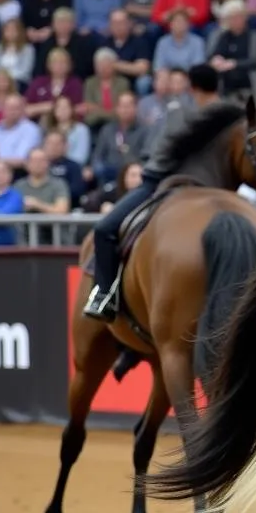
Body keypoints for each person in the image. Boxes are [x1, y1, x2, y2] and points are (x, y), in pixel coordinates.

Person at [82, 63, 221, 322]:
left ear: (192, 87)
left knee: (104, 230)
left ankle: (104, 294)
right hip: (217, 188)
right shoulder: (230, 114)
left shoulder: (178, 112)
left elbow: (156, 154)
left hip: (162, 182)